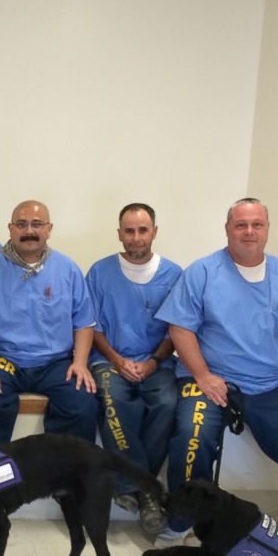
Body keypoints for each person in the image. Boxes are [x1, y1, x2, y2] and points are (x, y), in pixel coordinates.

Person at [156, 197, 278, 543]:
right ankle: (180, 522)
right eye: (241, 225)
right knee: (192, 436)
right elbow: (180, 329)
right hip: (210, 382)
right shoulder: (202, 273)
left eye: (256, 225)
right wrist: (202, 374)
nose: (249, 232)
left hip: (273, 386)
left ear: (266, 230)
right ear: (228, 229)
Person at [0, 200, 97, 454]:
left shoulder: (67, 269)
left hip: (55, 363)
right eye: (22, 224)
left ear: (49, 229)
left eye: (37, 224)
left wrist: (80, 363)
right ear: (10, 228)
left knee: (82, 403)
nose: (29, 231)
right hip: (5, 361)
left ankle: (64, 485)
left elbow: (83, 324)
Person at [86, 203, 182, 535]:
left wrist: (153, 361)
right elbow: (92, 328)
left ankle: (131, 485)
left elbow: (177, 330)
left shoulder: (174, 275)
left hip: (158, 361)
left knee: (168, 403)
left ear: (154, 232)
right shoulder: (100, 272)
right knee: (114, 400)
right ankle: (148, 491)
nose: (136, 237)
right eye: (129, 230)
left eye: (143, 230)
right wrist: (117, 360)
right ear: (119, 234)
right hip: (110, 361)